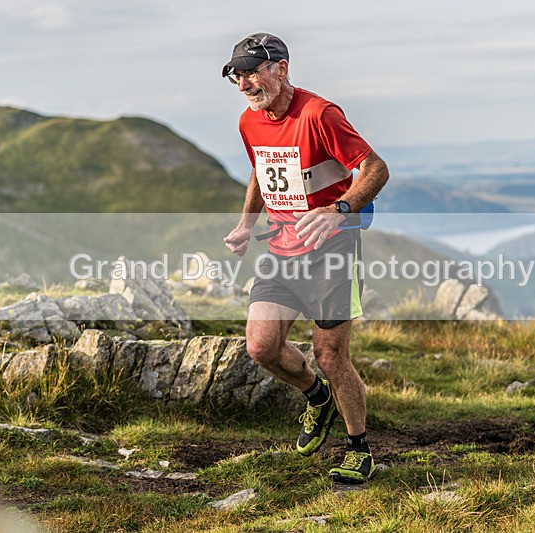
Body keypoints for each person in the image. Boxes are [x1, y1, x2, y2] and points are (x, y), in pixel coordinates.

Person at [222, 32, 389, 484]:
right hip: (279, 249)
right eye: (237, 76)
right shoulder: (249, 121)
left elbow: (375, 168)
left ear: (282, 68)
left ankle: (360, 449)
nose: (244, 84)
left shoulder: (320, 114)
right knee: (260, 346)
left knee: (331, 355)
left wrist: (340, 210)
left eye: (252, 72)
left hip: (331, 252)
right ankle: (316, 397)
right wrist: (246, 224)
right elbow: (261, 169)